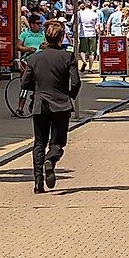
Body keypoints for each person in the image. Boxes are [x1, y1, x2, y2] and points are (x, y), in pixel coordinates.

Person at [19, 26, 81, 193]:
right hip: (61, 104)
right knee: (58, 142)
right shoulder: (67, 56)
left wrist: (38, 89)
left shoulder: (34, 58)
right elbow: (76, 82)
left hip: (40, 104)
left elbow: (25, 83)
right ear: (61, 38)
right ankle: (51, 159)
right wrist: (69, 96)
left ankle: (38, 183)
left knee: (39, 142)